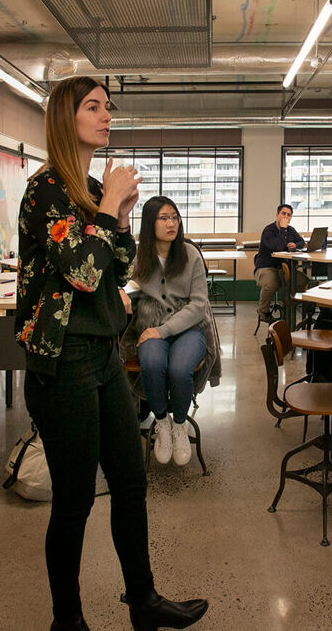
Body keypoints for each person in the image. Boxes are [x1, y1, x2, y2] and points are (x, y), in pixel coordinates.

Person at [15, 76, 208, 631]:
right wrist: (106, 208)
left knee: (129, 482)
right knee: (74, 501)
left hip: (101, 354)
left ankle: (143, 602)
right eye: (93, 107)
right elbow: (79, 271)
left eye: (107, 107)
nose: (106, 116)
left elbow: (116, 267)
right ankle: (67, 621)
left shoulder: (88, 189)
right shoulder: (46, 188)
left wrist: (119, 218)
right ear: (64, 118)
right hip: (63, 360)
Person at [127, 196, 218, 467]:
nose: (171, 223)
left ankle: (180, 423)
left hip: (190, 329)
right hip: (150, 326)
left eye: (175, 217)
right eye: (164, 218)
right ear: (149, 223)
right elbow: (126, 286)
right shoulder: (138, 256)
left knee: (179, 369)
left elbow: (199, 305)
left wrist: (164, 330)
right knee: (153, 363)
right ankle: (162, 421)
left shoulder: (190, 255)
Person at [253, 204, 305, 322]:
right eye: (283, 214)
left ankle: (288, 306)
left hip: (284, 268)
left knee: (303, 282)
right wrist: (282, 229)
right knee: (271, 284)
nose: (286, 217)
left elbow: (302, 242)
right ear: (277, 215)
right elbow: (276, 246)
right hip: (266, 267)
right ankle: (263, 310)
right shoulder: (268, 230)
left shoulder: (291, 230)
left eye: (289, 215)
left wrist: (295, 245)